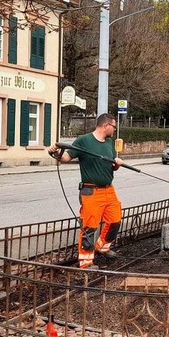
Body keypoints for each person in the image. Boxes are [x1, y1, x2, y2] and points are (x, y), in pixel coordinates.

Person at [48, 113, 123, 270]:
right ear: (106, 125)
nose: (114, 130)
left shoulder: (109, 143)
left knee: (115, 220)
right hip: (91, 191)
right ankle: (86, 262)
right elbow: (66, 158)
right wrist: (55, 152)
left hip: (109, 190)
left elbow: (111, 166)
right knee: (89, 227)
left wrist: (116, 164)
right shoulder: (84, 140)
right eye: (114, 127)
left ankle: (102, 247)